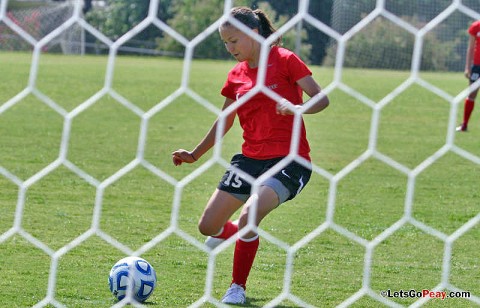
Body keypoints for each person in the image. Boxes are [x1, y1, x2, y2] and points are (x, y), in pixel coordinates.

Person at [171, 6, 329, 305]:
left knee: (249, 216)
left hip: (290, 160)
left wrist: (298, 108)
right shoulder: (236, 75)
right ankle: (232, 235)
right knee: (208, 227)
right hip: (249, 161)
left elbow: (321, 98)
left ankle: (237, 287)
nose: (230, 48)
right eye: (225, 43)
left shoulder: (285, 60)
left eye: (234, 41)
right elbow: (225, 120)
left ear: (254, 33)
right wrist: (195, 154)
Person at [457, 20, 480, 132]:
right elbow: (470, 48)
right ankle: (464, 125)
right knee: (472, 93)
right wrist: (467, 67)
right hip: (477, 66)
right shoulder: (476, 26)